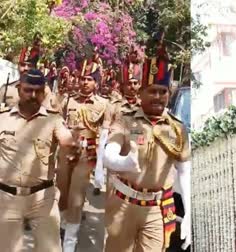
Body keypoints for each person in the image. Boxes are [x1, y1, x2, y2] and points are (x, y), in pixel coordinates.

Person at [103, 40, 191, 251]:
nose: (158, 97)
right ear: (141, 92)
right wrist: (125, 162)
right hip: (123, 204)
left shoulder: (177, 129)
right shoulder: (126, 120)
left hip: (157, 209)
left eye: (163, 91)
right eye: (152, 91)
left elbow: (184, 172)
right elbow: (109, 154)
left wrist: (188, 212)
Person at [0, 69, 77, 252]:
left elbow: (66, 139)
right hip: (6, 198)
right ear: (19, 89)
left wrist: (73, 145)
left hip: (43, 199)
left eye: (38, 91)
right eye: (28, 90)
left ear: (44, 92)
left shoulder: (53, 120)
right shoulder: (2, 118)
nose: (33, 95)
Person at [57, 57, 112, 252]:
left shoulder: (104, 105)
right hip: (65, 153)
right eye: (82, 78)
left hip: (86, 156)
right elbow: (57, 122)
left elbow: (104, 135)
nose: (84, 82)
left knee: (76, 196)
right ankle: (64, 223)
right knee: (61, 192)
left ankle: (69, 242)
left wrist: (99, 168)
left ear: (96, 82)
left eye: (89, 79)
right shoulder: (68, 100)